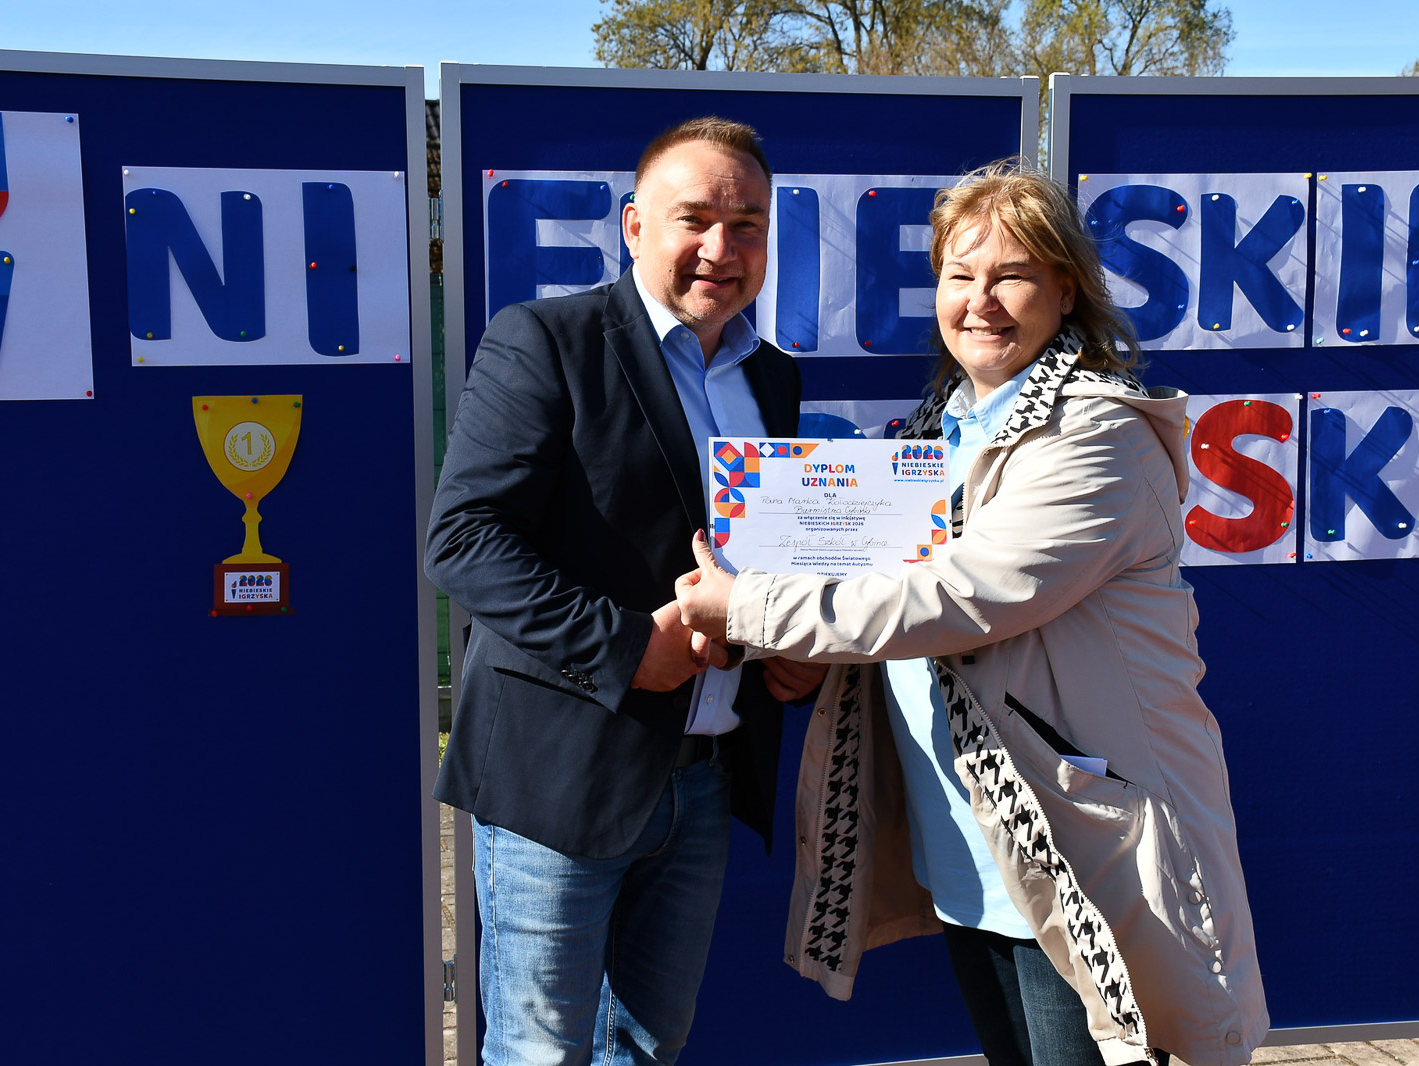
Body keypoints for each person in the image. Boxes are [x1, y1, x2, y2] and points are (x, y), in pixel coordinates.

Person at [675, 160, 1268, 1066]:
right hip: (975, 847)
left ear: (1066, 291)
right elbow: (884, 599)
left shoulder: (1098, 434)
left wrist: (749, 606)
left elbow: (958, 598)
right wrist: (810, 656)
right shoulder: (939, 431)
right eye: (961, 275)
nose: (980, 302)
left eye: (1012, 276)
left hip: (1078, 843)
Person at [425, 117, 823, 1066]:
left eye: (748, 225)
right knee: (540, 1050)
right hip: (558, 775)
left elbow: (755, 558)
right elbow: (464, 540)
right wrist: (626, 647)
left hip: (705, 771)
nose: (722, 248)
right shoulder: (545, 340)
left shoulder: (772, 377)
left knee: (649, 1046)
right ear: (635, 226)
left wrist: (792, 646)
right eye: (696, 219)